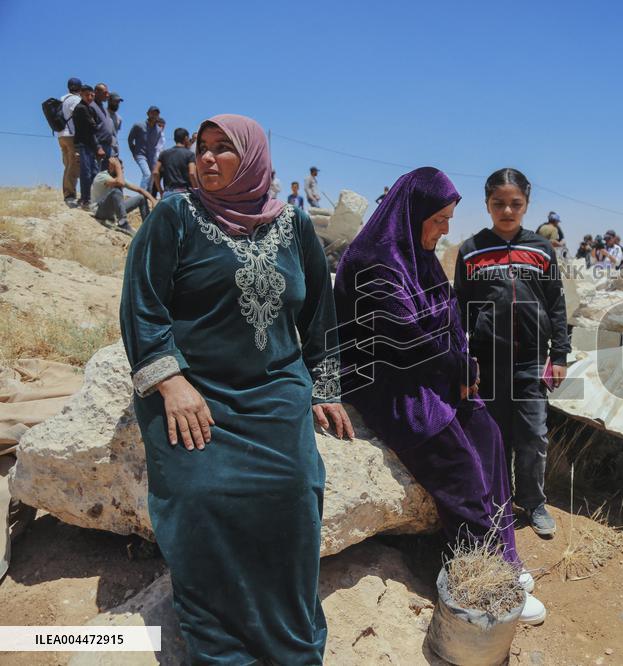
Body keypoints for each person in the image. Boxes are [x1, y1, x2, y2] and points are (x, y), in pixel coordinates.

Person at [120, 114, 353, 663]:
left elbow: (320, 309)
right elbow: (142, 303)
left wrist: (324, 386)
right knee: (199, 500)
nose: (206, 158)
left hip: (274, 390)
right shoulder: (175, 214)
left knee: (295, 494)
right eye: (202, 148)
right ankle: (222, 650)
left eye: (223, 149)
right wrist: (169, 380)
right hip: (194, 394)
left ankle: (289, 643)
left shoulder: (293, 225)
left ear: (251, 157)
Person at [334, 167, 546, 625]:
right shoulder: (373, 260)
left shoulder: (421, 254)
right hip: (388, 382)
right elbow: (402, 337)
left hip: (430, 371)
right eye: (439, 219)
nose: (446, 228)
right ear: (413, 214)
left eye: (450, 218)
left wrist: (465, 366)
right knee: (459, 466)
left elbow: (448, 319)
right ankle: (483, 583)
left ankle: (504, 557)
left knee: (488, 436)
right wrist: (455, 367)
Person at [454, 168, 570, 538]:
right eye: (498, 204)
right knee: (495, 435)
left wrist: (561, 356)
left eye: (515, 204)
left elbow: (556, 304)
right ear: (487, 204)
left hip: (532, 362)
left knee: (533, 435)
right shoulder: (472, 250)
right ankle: (499, 504)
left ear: (527, 204)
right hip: (487, 365)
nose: (507, 211)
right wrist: (462, 359)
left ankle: (533, 503)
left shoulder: (540, 248)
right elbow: (461, 309)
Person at [92, 156, 155, 236]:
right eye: (120, 169)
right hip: (99, 211)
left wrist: (153, 201)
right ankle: (123, 223)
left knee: (141, 198)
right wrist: (117, 166)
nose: (122, 171)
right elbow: (120, 183)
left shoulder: (117, 178)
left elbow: (140, 190)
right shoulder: (102, 176)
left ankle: (148, 229)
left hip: (112, 211)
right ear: (112, 167)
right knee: (116, 191)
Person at [72, 85, 103, 211]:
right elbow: (94, 126)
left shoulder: (90, 109)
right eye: (87, 95)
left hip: (90, 144)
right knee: (86, 173)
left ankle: (92, 198)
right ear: (81, 94)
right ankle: (85, 199)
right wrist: (95, 125)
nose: (90, 97)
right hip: (83, 144)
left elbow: (96, 124)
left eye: (92, 95)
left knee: (94, 172)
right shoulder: (80, 108)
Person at [56, 77, 82, 205]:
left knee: (67, 165)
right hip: (71, 135)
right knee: (74, 166)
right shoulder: (76, 100)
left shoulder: (62, 98)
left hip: (60, 136)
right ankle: (70, 195)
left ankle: (67, 193)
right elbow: (79, 118)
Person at [152, 128, 196, 198]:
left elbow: (155, 172)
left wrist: (160, 191)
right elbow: (192, 173)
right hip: (185, 194)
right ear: (186, 138)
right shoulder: (190, 154)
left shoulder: (164, 154)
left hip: (168, 194)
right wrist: (196, 191)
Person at [128, 106, 162, 191]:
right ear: (148, 114)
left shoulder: (158, 130)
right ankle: (141, 197)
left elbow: (155, 145)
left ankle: (147, 199)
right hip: (140, 155)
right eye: (153, 113)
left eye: (157, 114)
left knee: (153, 176)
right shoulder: (138, 126)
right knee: (147, 174)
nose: (154, 115)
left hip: (151, 157)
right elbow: (130, 139)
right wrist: (134, 152)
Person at [92, 83, 117, 157]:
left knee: (117, 167)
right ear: (96, 92)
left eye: (108, 93)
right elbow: (90, 130)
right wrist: (98, 147)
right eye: (105, 93)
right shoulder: (91, 106)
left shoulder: (104, 109)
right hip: (98, 147)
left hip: (108, 147)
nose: (107, 95)